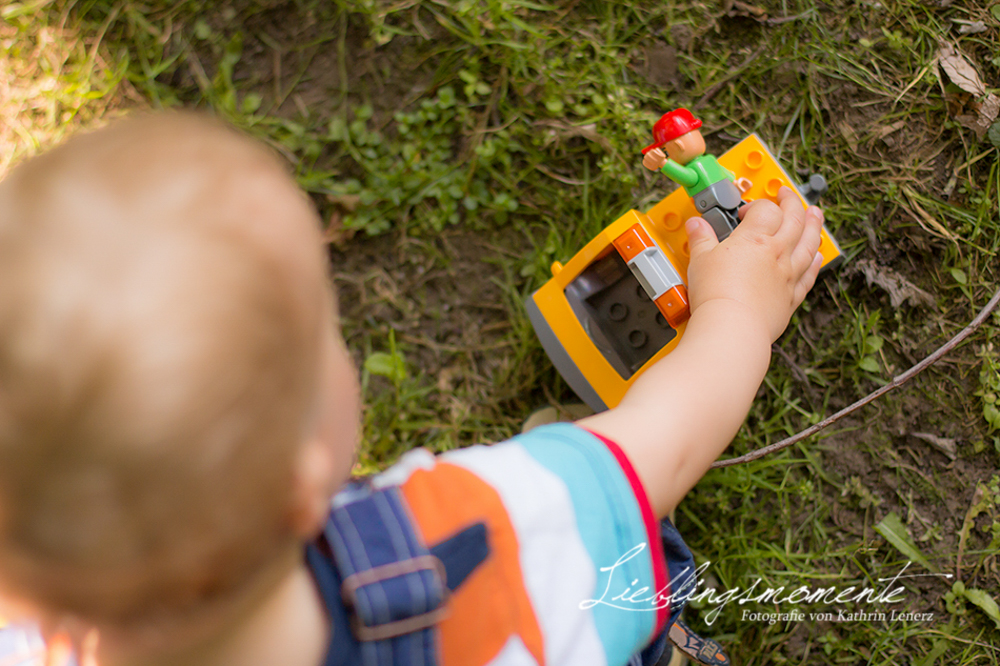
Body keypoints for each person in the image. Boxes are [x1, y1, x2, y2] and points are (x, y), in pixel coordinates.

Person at [0, 112, 824, 666]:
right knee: (632, 549)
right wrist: (737, 307)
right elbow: (663, 443)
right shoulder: (481, 535)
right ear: (300, 477)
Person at [641, 108, 754, 242]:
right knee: (726, 229)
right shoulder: (697, 166)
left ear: (678, 145)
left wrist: (735, 183)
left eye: (665, 151)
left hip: (730, 196)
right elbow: (688, 178)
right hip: (713, 206)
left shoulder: (709, 160)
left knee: (745, 213)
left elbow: (721, 172)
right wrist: (665, 164)